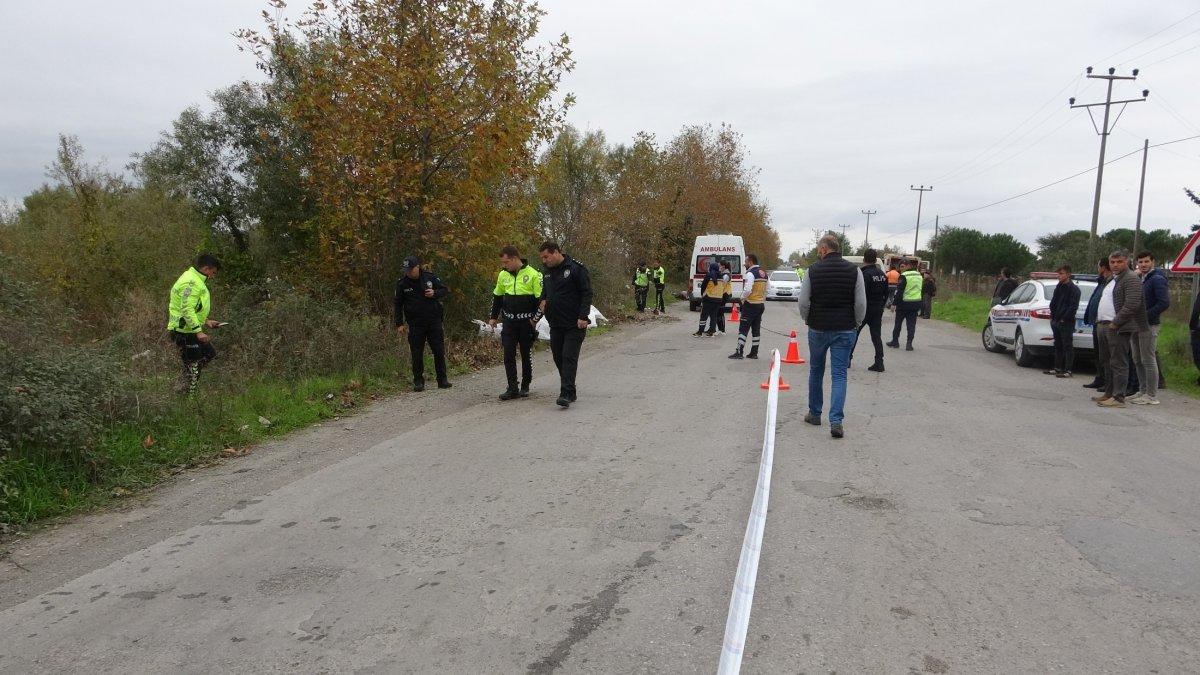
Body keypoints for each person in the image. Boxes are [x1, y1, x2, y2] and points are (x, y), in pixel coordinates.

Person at [797, 234, 867, 439]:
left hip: (818, 328)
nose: (819, 253)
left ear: (825, 249)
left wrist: (807, 319)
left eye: (819, 250)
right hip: (845, 329)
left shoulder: (813, 271)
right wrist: (856, 322)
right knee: (839, 375)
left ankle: (815, 414)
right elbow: (860, 303)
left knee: (816, 371)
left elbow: (803, 301)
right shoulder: (855, 271)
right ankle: (836, 421)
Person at [538, 241, 593, 408]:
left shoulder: (576, 268)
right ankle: (570, 388)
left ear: (556, 252)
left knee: (568, 356)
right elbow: (545, 293)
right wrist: (542, 301)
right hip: (555, 323)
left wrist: (583, 316)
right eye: (542, 258)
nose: (544, 260)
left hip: (574, 323)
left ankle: (566, 393)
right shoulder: (547, 273)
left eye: (546, 257)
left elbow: (587, 293)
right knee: (558, 356)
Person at [489, 246, 542, 401]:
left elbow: (542, 300)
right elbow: (497, 296)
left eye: (506, 262)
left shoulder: (533, 274)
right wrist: (493, 317)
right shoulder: (503, 275)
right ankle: (512, 387)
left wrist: (535, 319)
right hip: (509, 322)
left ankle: (525, 384)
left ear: (514, 258)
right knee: (508, 354)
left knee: (526, 353)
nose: (504, 265)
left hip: (526, 322)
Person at [1094, 250, 1146, 408]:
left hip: (1118, 326)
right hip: (1104, 324)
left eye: (1119, 262)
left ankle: (1118, 397)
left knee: (1118, 362)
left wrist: (1116, 322)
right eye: (1112, 262)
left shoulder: (1130, 278)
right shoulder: (1113, 279)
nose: (1115, 265)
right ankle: (1109, 393)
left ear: (1127, 262)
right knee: (1107, 361)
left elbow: (1132, 304)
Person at [167, 253, 222, 395]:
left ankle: (183, 380)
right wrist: (198, 331)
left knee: (209, 354)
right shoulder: (191, 282)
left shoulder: (196, 280)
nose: (213, 276)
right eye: (213, 272)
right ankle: (188, 399)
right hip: (183, 331)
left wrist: (207, 321)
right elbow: (186, 308)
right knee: (194, 367)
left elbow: (194, 308)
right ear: (205, 268)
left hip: (189, 329)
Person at [394, 256, 451, 392]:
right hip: (415, 324)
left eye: (410, 269)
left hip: (433, 321)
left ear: (417, 267)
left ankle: (442, 380)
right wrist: (399, 324)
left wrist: (434, 293)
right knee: (416, 353)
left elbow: (444, 290)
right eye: (406, 270)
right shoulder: (402, 284)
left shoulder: (429, 277)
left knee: (438, 350)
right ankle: (418, 382)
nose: (408, 272)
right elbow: (397, 304)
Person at [1130, 251, 1169, 404]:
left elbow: (1163, 303)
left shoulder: (1157, 279)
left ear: (1153, 262)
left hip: (1149, 325)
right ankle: (1142, 390)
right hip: (1135, 324)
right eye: (1141, 262)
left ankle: (1151, 396)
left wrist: (1145, 316)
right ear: (1137, 263)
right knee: (1137, 358)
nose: (1143, 264)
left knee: (1148, 358)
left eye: (1146, 261)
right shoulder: (1141, 278)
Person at [853, 249, 888, 372]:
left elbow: (861, 294)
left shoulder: (864, 274)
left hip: (865, 310)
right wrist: (881, 306)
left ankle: (847, 360)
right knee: (876, 336)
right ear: (875, 259)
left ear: (864, 260)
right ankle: (879, 363)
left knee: (854, 334)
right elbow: (886, 293)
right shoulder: (882, 275)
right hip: (877, 309)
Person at [728, 254, 768, 360]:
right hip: (760, 305)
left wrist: (742, 298)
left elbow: (748, 290)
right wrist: (761, 299)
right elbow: (766, 290)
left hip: (750, 304)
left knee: (743, 329)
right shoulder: (764, 274)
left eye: (745, 262)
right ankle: (754, 352)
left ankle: (739, 351)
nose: (744, 264)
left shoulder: (750, 274)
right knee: (756, 329)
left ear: (750, 261)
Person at [1045, 264, 1081, 378]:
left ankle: (1068, 370)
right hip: (1056, 320)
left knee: (1067, 345)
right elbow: (1054, 302)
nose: (1059, 276)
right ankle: (1057, 367)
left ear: (1068, 274)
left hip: (1066, 322)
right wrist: (1053, 317)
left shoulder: (1074, 289)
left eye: (1061, 274)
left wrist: (1063, 318)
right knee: (1058, 344)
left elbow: (1073, 307)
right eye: (1058, 274)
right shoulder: (1059, 287)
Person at [1081, 258, 1112, 390]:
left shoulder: (1110, 282)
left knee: (1106, 354)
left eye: (1098, 266)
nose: (1097, 268)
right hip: (1097, 322)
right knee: (1098, 353)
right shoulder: (1101, 281)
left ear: (1103, 267)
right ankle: (1099, 378)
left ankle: (1108, 382)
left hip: (1106, 322)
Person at [887, 259, 923, 351]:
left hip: (904, 304)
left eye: (902, 266)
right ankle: (909, 344)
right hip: (915, 303)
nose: (901, 268)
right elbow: (921, 289)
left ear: (908, 266)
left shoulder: (904, 276)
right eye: (900, 267)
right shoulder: (919, 275)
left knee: (898, 323)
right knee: (911, 325)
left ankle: (895, 342)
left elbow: (900, 291)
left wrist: (894, 304)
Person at [694, 262, 727, 337]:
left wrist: (702, 294)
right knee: (713, 316)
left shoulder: (709, 275)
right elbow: (723, 286)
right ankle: (711, 332)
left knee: (704, 315)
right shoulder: (721, 276)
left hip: (709, 298)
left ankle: (700, 332)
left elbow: (703, 286)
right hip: (718, 299)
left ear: (711, 268)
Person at [717, 261, 733, 334]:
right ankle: (720, 329)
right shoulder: (724, 273)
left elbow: (721, 285)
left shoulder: (726, 275)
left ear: (723, 266)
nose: (718, 267)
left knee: (720, 312)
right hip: (722, 294)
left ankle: (722, 330)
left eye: (719, 265)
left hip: (725, 294)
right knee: (719, 312)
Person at [1190, 288, 1200, 387]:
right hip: (1197, 329)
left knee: (1198, 356)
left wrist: (1193, 326)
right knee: (1197, 356)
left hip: (1197, 329)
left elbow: (1196, 311)